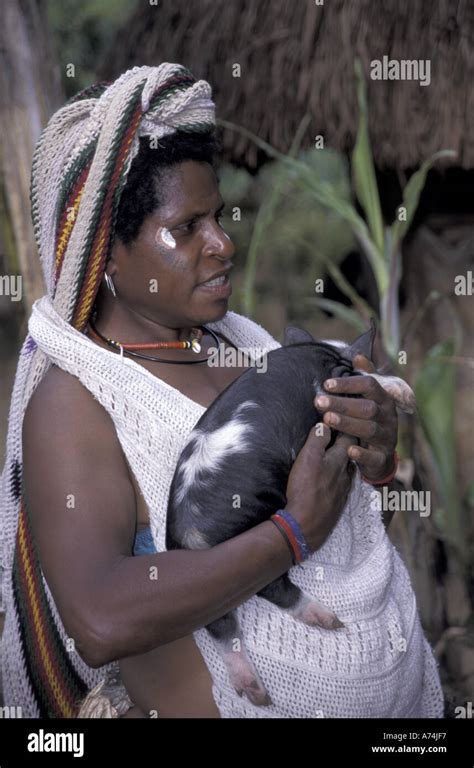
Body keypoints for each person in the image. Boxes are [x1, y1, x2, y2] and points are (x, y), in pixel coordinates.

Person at [0, 64, 443, 719]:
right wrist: (290, 536)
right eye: (187, 228)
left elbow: (342, 521)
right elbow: (100, 618)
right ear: (108, 256)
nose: (222, 244)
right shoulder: (76, 406)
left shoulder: (249, 346)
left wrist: (375, 455)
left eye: (218, 216)